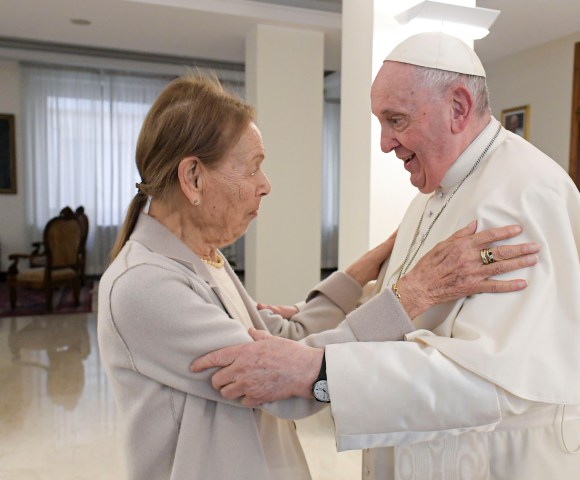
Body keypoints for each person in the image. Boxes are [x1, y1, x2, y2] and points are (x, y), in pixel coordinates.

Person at [192, 32, 580, 479]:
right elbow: (419, 312)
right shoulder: (431, 197)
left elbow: (495, 379)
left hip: (515, 461)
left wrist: (317, 369)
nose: (386, 143)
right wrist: (317, 320)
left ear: (459, 107)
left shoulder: (523, 194)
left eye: (397, 120)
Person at [97, 72, 540, 480]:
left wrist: (372, 263)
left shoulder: (202, 257)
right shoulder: (144, 286)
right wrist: (411, 295)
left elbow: (287, 337)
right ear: (193, 177)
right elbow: (284, 386)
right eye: (252, 167)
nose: (265, 184)